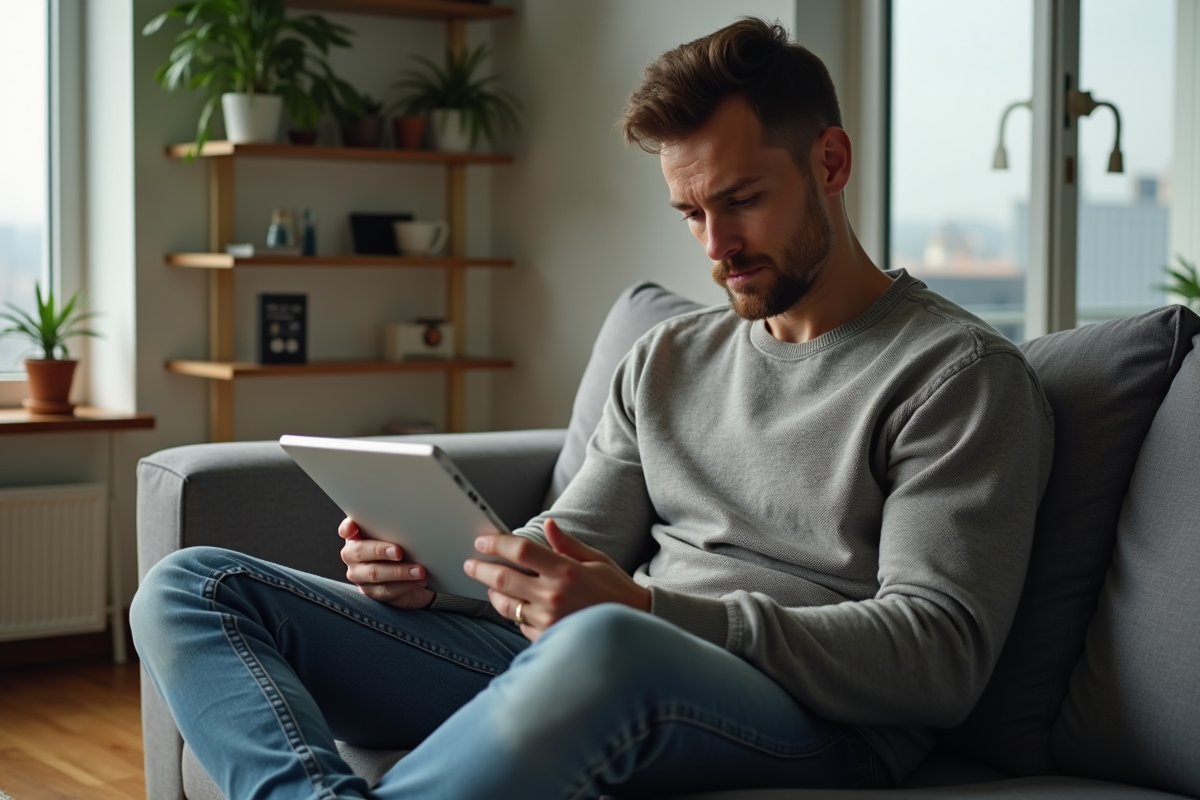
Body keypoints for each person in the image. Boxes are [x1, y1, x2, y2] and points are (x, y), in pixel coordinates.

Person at [131, 18, 1053, 800]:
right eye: (690, 214)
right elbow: (571, 547)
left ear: (832, 160)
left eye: (741, 201)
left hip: (818, 723)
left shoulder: (957, 373)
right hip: (603, 660)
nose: (717, 246)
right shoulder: (669, 359)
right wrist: (444, 571)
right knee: (192, 585)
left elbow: (939, 658)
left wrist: (652, 612)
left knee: (612, 641)